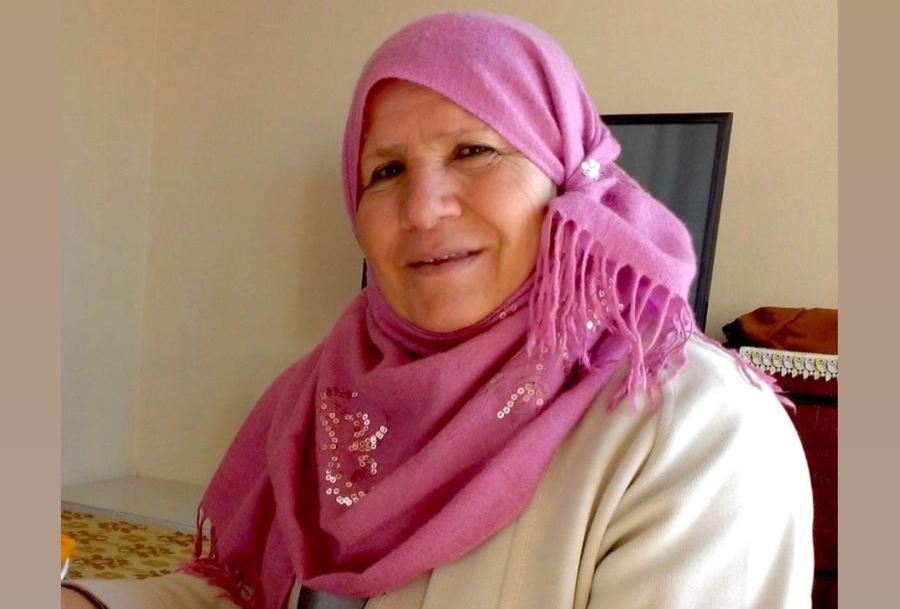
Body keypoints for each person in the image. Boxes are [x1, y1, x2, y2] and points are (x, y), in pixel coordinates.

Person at [62, 11, 814, 609]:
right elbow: (244, 595)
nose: (422, 209)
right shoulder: (320, 395)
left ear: (563, 179)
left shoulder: (693, 430)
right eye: (387, 170)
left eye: (473, 151)